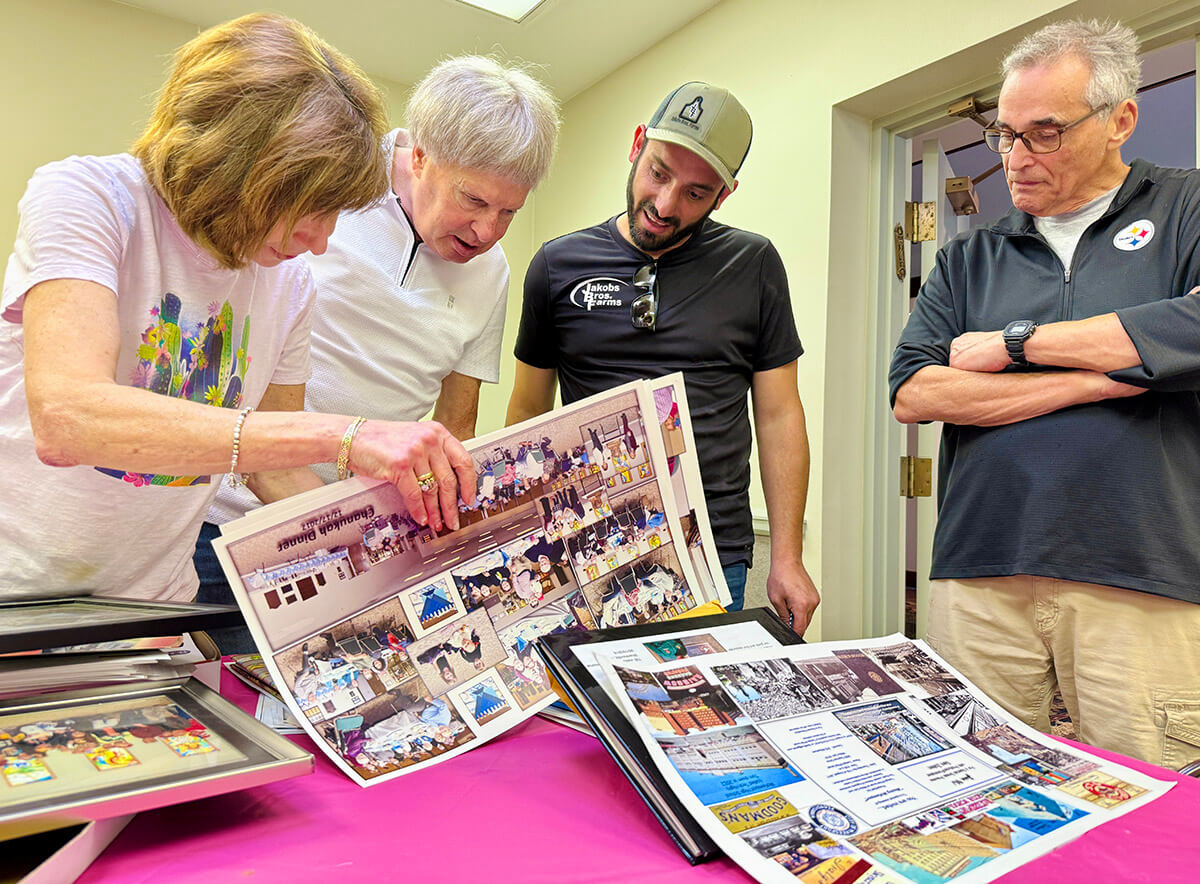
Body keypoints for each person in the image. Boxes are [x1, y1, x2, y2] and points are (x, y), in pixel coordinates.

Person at [0, 13, 475, 604]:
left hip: (148, 615)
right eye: (311, 208)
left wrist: (394, 548)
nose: (321, 241)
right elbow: (68, 418)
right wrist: (345, 435)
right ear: (239, 167)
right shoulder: (88, 197)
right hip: (19, 600)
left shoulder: (292, 285)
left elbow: (269, 466)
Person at [889, 19, 1200, 767]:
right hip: (981, 570)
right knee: (973, 785)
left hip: (1141, 573)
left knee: (1148, 797)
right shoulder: (971, 255)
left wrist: (1013, 345)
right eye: (1006, 134)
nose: (1016, 159)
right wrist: (1107, 375)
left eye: (1045, 133)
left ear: (1120, 118)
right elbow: (915, 391)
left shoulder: (1185, 207)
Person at [192, 55, 560, 651]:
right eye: (473, 200)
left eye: (509, 212)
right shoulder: (334, 190)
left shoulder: (490, 271)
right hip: (228, 520)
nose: (489, 230)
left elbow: (455, 422)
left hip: (355, 541)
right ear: (419, 156)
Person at [506, 81, 819, 631]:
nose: (666, 204)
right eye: (658, 172)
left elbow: (778, 414)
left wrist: (788, 556)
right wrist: (520, 538)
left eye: (697, 193)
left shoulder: (753, 264)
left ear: (725, 195)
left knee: (691, 708)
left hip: (711, 552)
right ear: (636, 146)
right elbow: (529, 410)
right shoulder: (558, 264)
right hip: (587, 549)